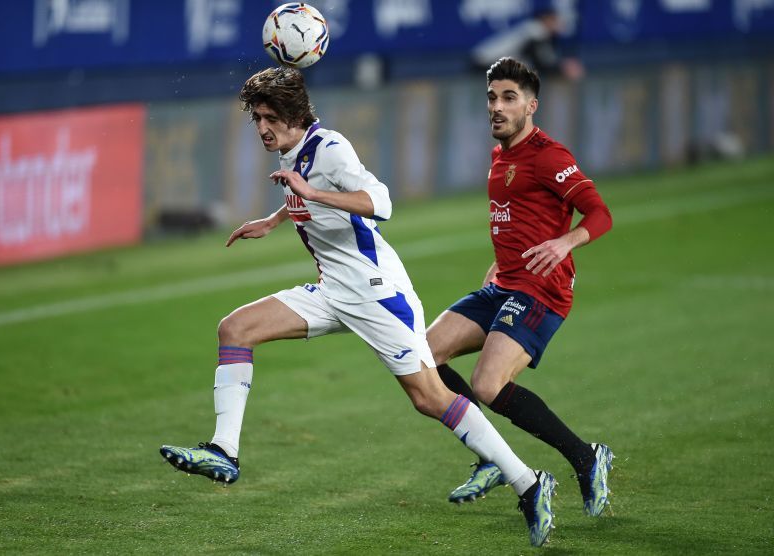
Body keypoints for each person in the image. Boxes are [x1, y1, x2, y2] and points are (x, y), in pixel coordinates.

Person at [160, 66, 557, 547]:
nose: (261, 127)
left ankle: (529, 483)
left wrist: (308, 193)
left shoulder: (330, 148)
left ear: (291, 114)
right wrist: (274, 218)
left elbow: (380, 201)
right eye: (256, 119)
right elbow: (307, 194)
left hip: (376, 293)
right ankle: (225, 451)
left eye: (268, 117)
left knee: (430, 398)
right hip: (332, 290)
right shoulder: (296, 154)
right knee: (235, 329)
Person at [427, 57, 614, 517]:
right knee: (422, 357)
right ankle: (492, 457)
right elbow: (517, 220)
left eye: (508, 98)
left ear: (531, 105)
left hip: (541, 293)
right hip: (504, 284)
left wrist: (564, 243)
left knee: (488, 383)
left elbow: (600, 215)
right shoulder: (500, 157)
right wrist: (499, 261)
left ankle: (585, 458)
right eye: (492, 96)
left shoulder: (550, 156)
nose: (497, 106)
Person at [471, 7, 584, 81]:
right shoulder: (535, 31)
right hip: (484, 64)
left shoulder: (540, 32)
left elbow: (544, 61)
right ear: (545, 19)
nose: (558, 23)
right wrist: (563, 69)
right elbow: (541, 65)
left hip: (493, 64)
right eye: (553, 19)